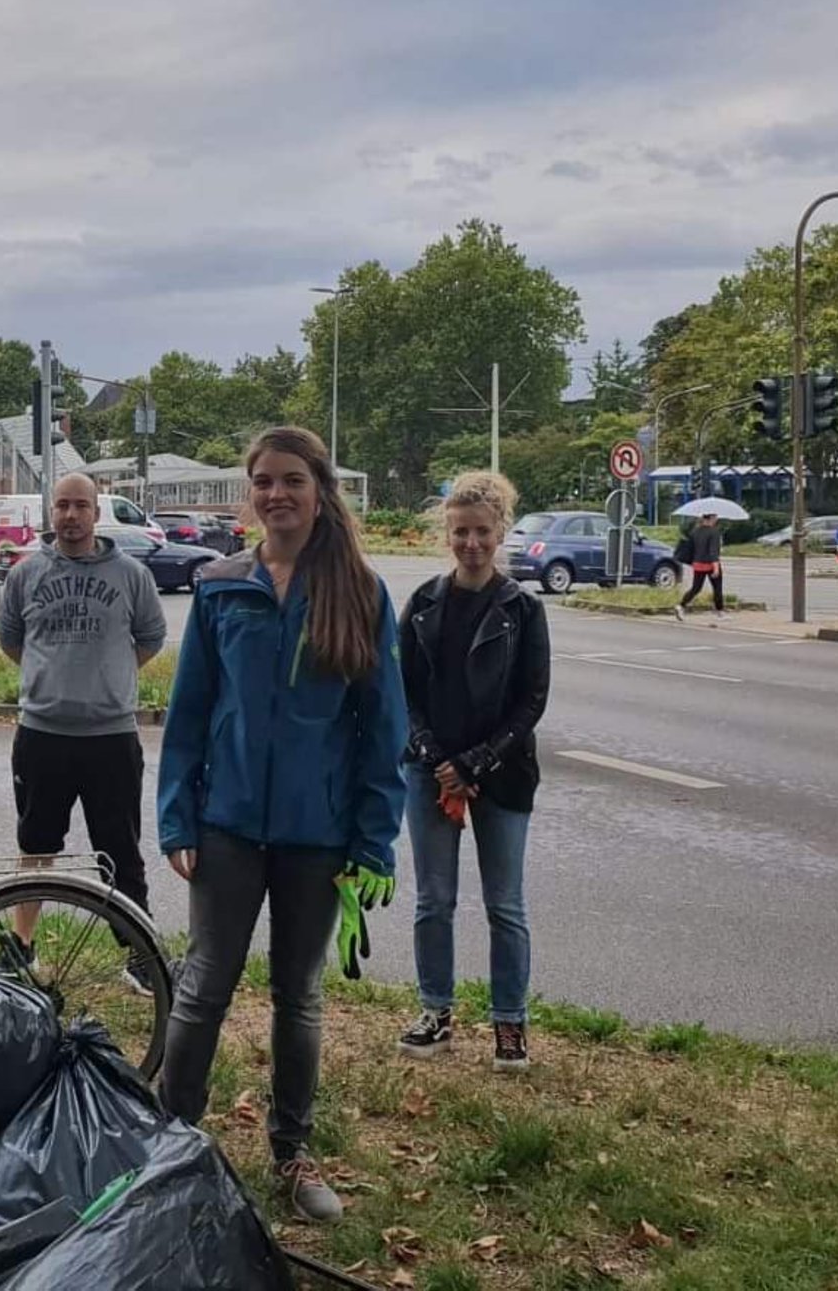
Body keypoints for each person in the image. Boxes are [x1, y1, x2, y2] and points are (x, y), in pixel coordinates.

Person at [155, 427, 407, 1225]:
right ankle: (165, 1145)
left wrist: (372, 841)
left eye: (291, 480)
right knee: (201, 991)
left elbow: (383, 730)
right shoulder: (221, 585)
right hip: (226, 827)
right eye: (262, 481)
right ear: (250, 494)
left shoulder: (360, 593)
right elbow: (188, 714)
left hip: (317, 838)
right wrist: (176, 817)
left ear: (319, 489)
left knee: (298, 998)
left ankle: (292, 1150)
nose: (275, 494)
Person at [395, 471, 551, 1074]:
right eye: (460, 532)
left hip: (504, 775)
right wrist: (436, 759)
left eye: (482, 532)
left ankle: (509, 1022)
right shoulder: (424, 603)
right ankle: (435, 1011)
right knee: (433, 900)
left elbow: (532, 700)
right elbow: (402, 691)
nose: (471, 544)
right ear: (447, 534)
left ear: (500, 532)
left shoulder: (523, 609)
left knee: (504, 906)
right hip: (429, 773)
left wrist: (476, 762)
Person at [0, 473, 168, 988]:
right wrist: (52, 680)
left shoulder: (131, 575)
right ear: (52, 512)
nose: (71, 516)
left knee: (119, 849)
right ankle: (20, 948)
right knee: (36, 846)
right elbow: (11, 641)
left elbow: (151, 638)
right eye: (62, 506)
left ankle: (140, 955)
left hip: (110, 737)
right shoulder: (26, 574)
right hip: (42, 734)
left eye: (81, 507)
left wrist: (107, 680)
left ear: (97, 513)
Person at [675, 508, 724, 621]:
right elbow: (713, 551)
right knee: (717, 588)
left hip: (698, 564)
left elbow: (693, 548)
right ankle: (720, 611)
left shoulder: (696, 531)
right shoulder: (714, 532)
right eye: (715, 516)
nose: (717, 518)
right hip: (710, 564)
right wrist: (716, 567)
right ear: (711, 517)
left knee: (696, 588)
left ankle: (681, 605)